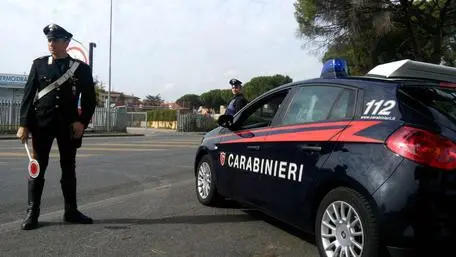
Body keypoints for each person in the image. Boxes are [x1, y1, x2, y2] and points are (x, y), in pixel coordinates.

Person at [16, 23, 97, 230]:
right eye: (49, 40)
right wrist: (24, 124)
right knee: (37, 168)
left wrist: (82, 122)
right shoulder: (39, 64)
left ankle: (71, 211)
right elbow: (28, 96)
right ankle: (32, 213)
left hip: (68, 125)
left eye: (56, 40)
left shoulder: (81, 69)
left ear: (66, 43)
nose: (51, 44)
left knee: (68, 167)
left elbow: (89, 100)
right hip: (41, 124)